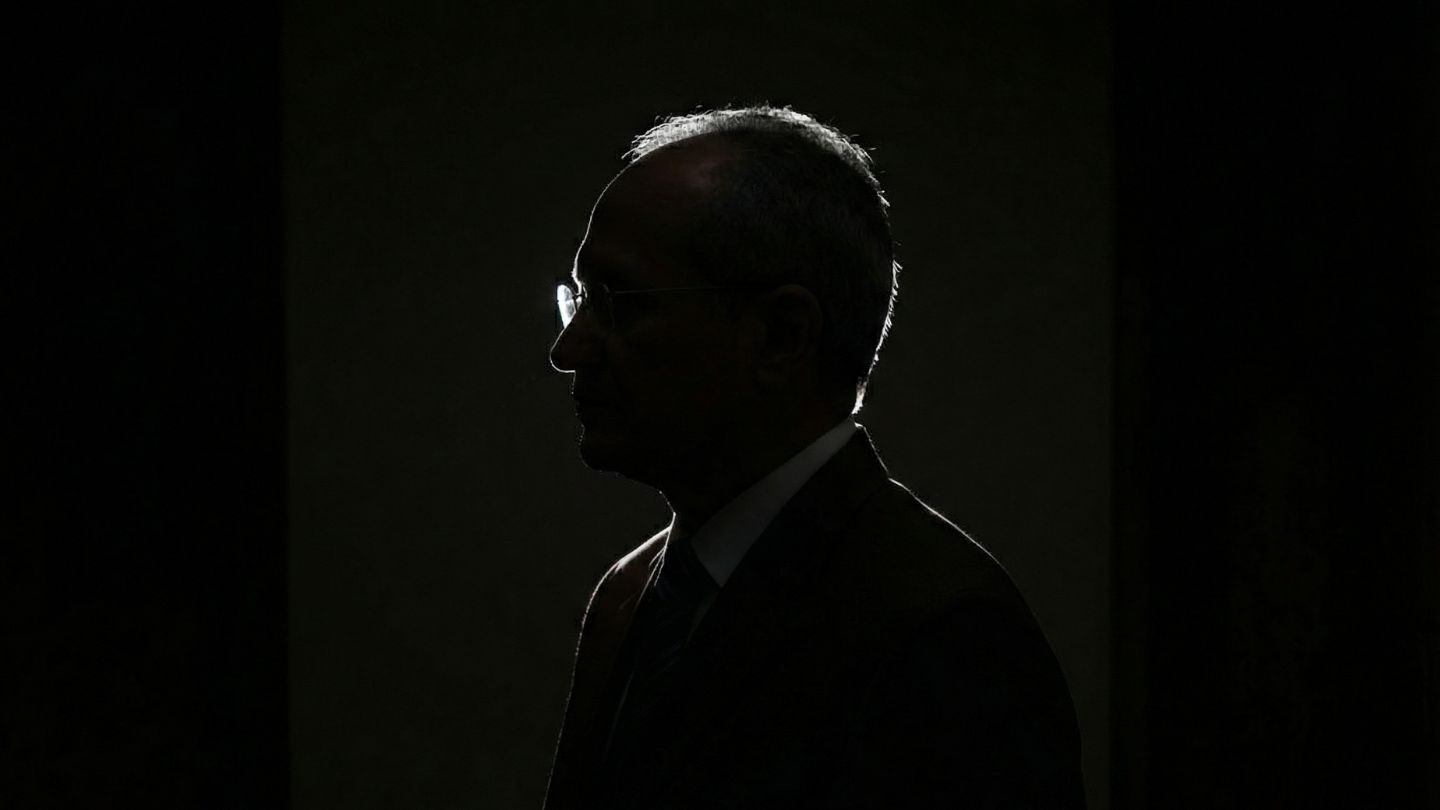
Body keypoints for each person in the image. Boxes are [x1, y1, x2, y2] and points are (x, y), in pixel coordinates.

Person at [544, 106, 1085, 810]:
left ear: (781, 335)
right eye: (580, 300)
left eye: (619, 303)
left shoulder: (946, 634)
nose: (568, 349)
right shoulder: (629, 596)